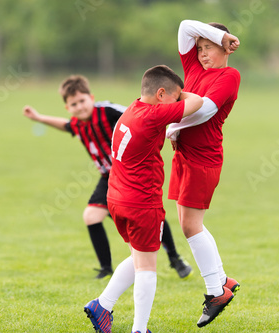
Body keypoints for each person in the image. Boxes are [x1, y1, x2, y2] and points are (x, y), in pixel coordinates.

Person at [23, 75, 193, 279]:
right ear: (68, 108)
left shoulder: (108, 112)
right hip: (109, 178)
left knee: (150, 217)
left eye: (82, 101)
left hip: (131, 175)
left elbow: (136, 114)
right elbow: (66, 125)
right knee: (91, 217)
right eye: (73, 104)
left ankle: (175, 258)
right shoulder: (78, 123)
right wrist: (39, 118)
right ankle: (105, 269)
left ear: (91, 97)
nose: (79, 106)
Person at [84, 65, 204, 333]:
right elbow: (197, 102)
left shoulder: (132, 109)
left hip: (116, 197)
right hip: (141, 201)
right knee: (148, 268)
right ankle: (139, 330)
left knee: (139, 257)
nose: (176, 102)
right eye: (173, 97)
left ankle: (102, 306)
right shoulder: (153, 114)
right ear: (161, 94)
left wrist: (173, 94)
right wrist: (182, 94)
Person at [165, 19, 241, 328]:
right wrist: (219, 35)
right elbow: (184, 25)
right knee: (185, 223)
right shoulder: (194, 68)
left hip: (203, 160)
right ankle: (223, 281)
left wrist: (168, 126)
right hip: (183, 156)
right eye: (199, 48)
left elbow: (206, 110)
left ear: (224, 49)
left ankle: (216, 292)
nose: (202, 54)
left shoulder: (229, 76)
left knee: (191, 226)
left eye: (208, 47)